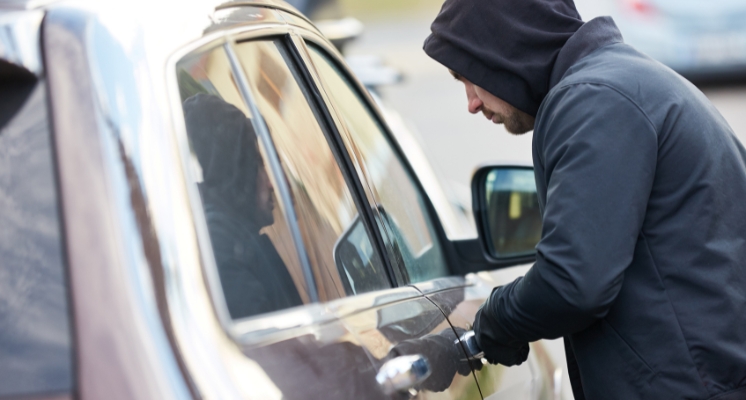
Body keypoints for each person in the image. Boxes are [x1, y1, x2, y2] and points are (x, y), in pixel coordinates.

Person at [423, 0, 746, 399]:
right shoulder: (622, 82)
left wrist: (489, 324)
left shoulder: (594, 100)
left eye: (467, 77)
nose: (471, 102)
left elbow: (571, 282)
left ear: (501, 50)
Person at [183, 94, 303, 319]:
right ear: (238, 171)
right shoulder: (221, 244)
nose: (271, 183)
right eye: (259, 165)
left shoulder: (234, 235)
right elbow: (271, 349)